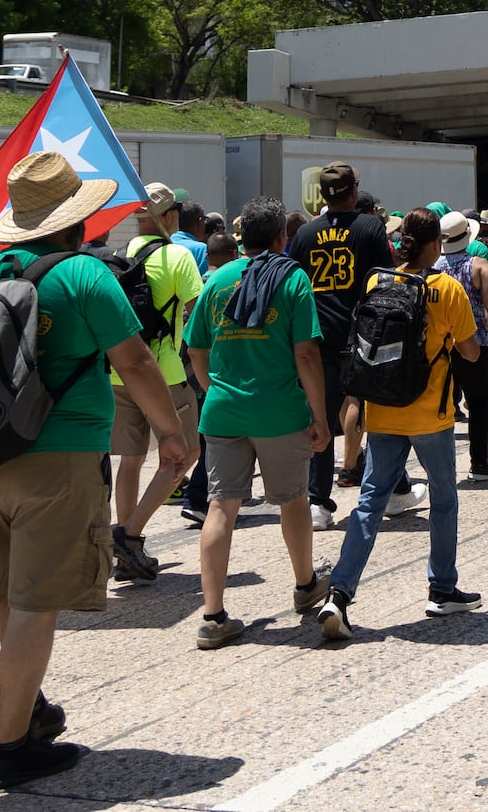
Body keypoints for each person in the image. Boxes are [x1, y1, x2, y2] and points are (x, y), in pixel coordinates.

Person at [0, 153, 189, 792]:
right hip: (58, 460)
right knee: (38, 602)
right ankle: (9, 748)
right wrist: (173, 437)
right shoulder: (83, 277)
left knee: (12, 593)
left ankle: (27, 706)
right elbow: (138, 365)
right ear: (77, 218)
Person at [317, 208, 482, 639]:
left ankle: (339, 592)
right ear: (434, 245)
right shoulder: (445, 288)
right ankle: (441, 588)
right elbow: (470, 353)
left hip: (383, 409)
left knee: (370, 502)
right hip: (430, 414)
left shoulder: (377, 280)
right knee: (444, 501)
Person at [186, 197, 331, 648]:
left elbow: (195, 349)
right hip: (279, 412)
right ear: (281, 237)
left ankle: (213, 616)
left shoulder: (217, 280)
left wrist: (215, 391)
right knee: (292, 501)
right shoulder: (293, 279)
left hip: (224, 411)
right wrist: (320, 416)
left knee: (220, 506)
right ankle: (306, 586)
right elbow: (306, 353)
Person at [105, 187, 207, 585]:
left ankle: (126, 543)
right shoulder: (177, 256)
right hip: (164, 374)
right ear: (168, 217)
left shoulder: (119, 256)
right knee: (184, 454)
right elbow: (199, 314)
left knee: (130, 460)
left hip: (118, 373)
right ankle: (129, 535)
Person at [290, 164, 398, 529]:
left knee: (318, 414)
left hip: (317, 333)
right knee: (376, 409)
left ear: (323, 195)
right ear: (353, 191)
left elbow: (294, 282)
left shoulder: (305, 234)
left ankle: (318, 500)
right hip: (361, 331)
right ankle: (391, 488)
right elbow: (386, 281)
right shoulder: (370, 227)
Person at [438, 211, 488, 479]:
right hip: (474, 343)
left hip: (440, 346)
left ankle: (440, 467)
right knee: (478, 405)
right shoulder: (478, 265)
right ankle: (479, 463)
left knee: (439, 406)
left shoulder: (434, 266)